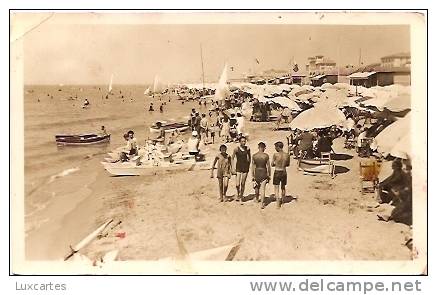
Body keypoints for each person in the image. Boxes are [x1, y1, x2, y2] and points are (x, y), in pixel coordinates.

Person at [252, 142, 271, 209]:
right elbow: (268, 166)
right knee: (262, 189)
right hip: (263, 171)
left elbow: (253, 166)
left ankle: (257, 199)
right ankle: (262, 204)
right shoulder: (266, 156)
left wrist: (253, 175)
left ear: (258, 147)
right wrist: (269, 175)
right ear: (264, 148)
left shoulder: (254, 155)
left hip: (257, 171)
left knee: (257, 186)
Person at [271, 141, 290, 209]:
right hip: (284, 171)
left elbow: (272, 164)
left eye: (275, 147)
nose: (275, 148)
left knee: (276, 187)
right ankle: (283, 200)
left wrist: (276, 163)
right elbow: (288, 164)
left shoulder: (275, 154)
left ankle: (277, 203)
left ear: (278, 147)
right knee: (283, 187)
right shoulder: (287, 155)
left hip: (277, 171)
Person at [232, 136, 251, 202]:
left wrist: (248, 165)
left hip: (245, 167)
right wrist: (232, 167)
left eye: (244, 141)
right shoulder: (236, 149)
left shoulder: (247, 149)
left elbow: (249, 158)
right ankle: (238, 193)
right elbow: (232, 158)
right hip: (238, 167)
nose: (244, 142)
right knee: (237, 184)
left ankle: (241, 197)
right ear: (239, 142)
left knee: (243, 183)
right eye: (242, 141)